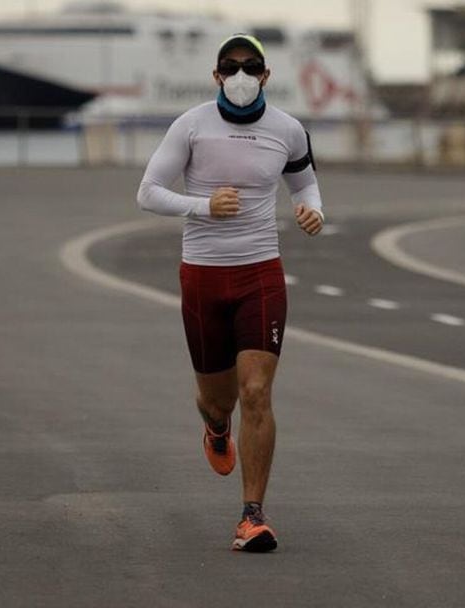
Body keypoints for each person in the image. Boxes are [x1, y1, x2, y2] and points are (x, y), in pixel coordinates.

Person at [136, 33, 324, 553]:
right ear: (216, 75)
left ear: (266, 75)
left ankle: (252, 516)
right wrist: (202, 206)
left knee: (256, 392)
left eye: (251, 66)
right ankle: (217, 428)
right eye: (231, 66)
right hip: (202, 275)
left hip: (260, 273)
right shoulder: (191, 125)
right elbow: (147, 193)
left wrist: (314, 211)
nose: (241, 75)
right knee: (217, 400)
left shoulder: (287, 130)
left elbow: (305, 184)